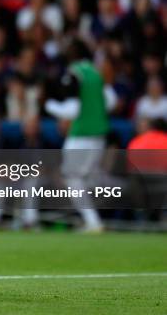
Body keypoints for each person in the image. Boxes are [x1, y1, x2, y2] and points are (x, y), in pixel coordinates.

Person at [45, 40, 117, 232]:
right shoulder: (97, 73)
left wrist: (49, 106)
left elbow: (73, 110)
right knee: (87, 178)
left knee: (72, 179)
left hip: (80, 135)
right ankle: (94, 215)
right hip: (100, 133)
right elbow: (110, 102)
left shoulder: (75, 72)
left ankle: (92, 221)